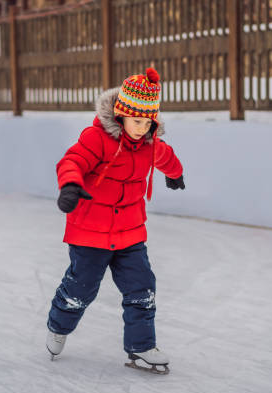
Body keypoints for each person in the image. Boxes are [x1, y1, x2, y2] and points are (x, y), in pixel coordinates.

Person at [46, 67, 185, 373]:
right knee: (81, 290)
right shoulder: (97, 138)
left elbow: (165, 156)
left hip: (130, 233)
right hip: (90, 233)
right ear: (122, 115)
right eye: (137, 120)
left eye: (149, 121)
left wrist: (176, 174)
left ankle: (141, 346)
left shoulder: (149, 144)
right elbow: (73, 160)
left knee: (142, 287)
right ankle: (58, 326)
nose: (142, 127)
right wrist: (70, 185)